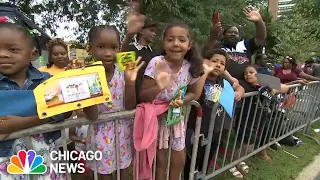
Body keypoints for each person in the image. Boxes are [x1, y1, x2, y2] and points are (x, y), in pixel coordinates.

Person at [0, 22, 98, 180]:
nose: (3, 54)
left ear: (33, 54)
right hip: (7, 162)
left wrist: (19, 124)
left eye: (13, 49)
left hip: (45, 156)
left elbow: (63, 111)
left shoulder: (46, 81)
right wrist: (44, 115)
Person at [139, 22, 203, 180]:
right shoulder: (156, 63)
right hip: (158, 118)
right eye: (170, 39)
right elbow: (143, 95)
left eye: (181, 40)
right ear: (163, 42)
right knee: (160, 159)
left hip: (176, 117)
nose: (175, 44)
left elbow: (193, 94)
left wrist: (183, 100)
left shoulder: (190, 67)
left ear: (189, 45)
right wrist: (159, 86)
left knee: (179, 158)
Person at [82, 25, 144, 180]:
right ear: (90, 48)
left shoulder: (125, 69)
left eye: (113, 47)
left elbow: (130, 107)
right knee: (104, 173)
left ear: (119, 48)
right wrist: (87, 92)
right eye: (101, 47)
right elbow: (92, 115)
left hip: (123, 131)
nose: (108, 53)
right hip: (99, 133)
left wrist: (130, 83)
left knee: (123, 170)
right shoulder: (88, 74)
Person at [184, 49, 245, 179]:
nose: (218, 65)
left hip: (215, 130)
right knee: (191, 162)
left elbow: (239, 86)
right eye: (214, 61)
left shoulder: (223, 83)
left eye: (222, 63)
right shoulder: (198, 79)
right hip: (197, 130)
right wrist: (204, 72)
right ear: (205, 62)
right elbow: (196, 96)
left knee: (206, 160)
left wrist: (239, 92)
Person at [202, 7, 267, 84]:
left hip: (245, 84)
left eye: (236, 33)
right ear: (223, 35)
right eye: (230, 32)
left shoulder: (246, 45)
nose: (233, 34)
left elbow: (261, 37)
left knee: (274, 83)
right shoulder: (217, 46)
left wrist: (259, 21)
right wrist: (213, 37)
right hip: (224, 84)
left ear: (239, 36)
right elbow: (203, 55)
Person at [240, 65, 289, 163]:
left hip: (264, 114)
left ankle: (262, 151)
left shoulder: (265, 82)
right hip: (249, 116)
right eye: (245, 74)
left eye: (251, 72)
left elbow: (285, 87)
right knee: (248, 137)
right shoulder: (244, 84)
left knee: (265, 131)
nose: (248, 75)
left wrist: (274, 90)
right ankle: (240, 158)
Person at [122, 4, 159, 103]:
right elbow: (121, 61)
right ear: (141, 31)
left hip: (148, 102)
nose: (154, 34)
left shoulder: (156, 53)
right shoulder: (130, 49)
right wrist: (129, 35)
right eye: (151, 30)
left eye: (155, 31)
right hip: (130, 100)